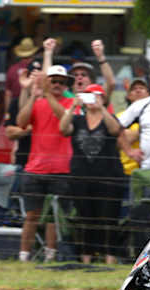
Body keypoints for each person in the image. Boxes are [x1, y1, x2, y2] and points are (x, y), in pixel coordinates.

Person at [58, 84, 123, 264]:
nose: (92, 99)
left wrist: (102, 107)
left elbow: (115, 130)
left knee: (109, 218)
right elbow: (63, 129)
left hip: (109, 177)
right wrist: (72, 106)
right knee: (85, 217)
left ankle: (110, 257)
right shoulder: (77, 120)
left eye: (96, 95)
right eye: (88, 95)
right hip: (81, 177)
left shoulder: (109, 118)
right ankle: (86, 258)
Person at [16, 66, 75, 262]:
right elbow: (21, 122)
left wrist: (47, 94)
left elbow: (63, 120)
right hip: (35, 167)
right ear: (47, 82)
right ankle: (24, 256)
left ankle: (51, 255)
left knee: (53, 217)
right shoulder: (39, 102)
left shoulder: (71, 102)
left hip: (61, 169)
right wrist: (33, 95)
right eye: (54, 81)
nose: (58, 85)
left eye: (62, 82)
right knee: (31, 215)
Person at [6, 37, 40, 105]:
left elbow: (8, 93)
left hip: (16, 104)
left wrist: (7, 112)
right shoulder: (37, 68)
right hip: (33, 102)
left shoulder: (12, 69)